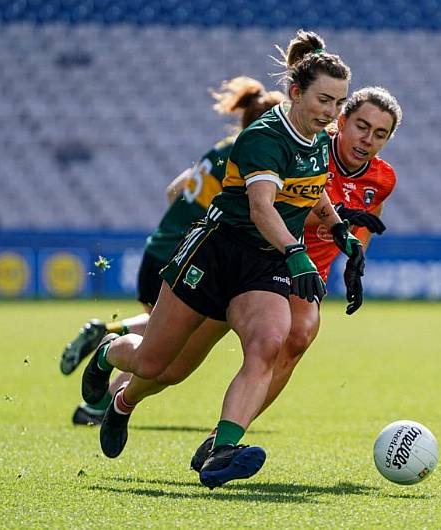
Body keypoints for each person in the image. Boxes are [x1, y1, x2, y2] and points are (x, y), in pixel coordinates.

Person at [80, 30, 358, 488]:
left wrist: (338, 224)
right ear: (295, 92)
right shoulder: (262, 137)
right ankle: (110, 354)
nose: (331, 112)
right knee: (156, 365)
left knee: (269, 342)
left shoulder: (320, 141)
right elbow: (261, 207)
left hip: (263, 264)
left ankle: (223, 449)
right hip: (216, 252)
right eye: (323, 100)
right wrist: (297, 254)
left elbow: (311, 188)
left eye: (337, 103)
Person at [187, 85, 402, 472]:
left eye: (380, 134)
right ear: (341, 122)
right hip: (252, 257)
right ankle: (121, 389)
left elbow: (367, 222)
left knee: (298, 335)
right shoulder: (309, 149)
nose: (367, 140)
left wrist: (355, 261)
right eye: (361, 127)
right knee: (171, 364)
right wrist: (339, 219)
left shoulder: (382, 178)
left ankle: (225, 439)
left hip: (303, 274)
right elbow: (280, 213)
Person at [60, 77, 285, 426]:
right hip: (190, 254)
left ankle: (108, 352)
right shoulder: (253, 155)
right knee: (165, 343)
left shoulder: (222, 147)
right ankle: (103, 392)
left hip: (161, 244)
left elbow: (173, 190)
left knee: (165, 335)